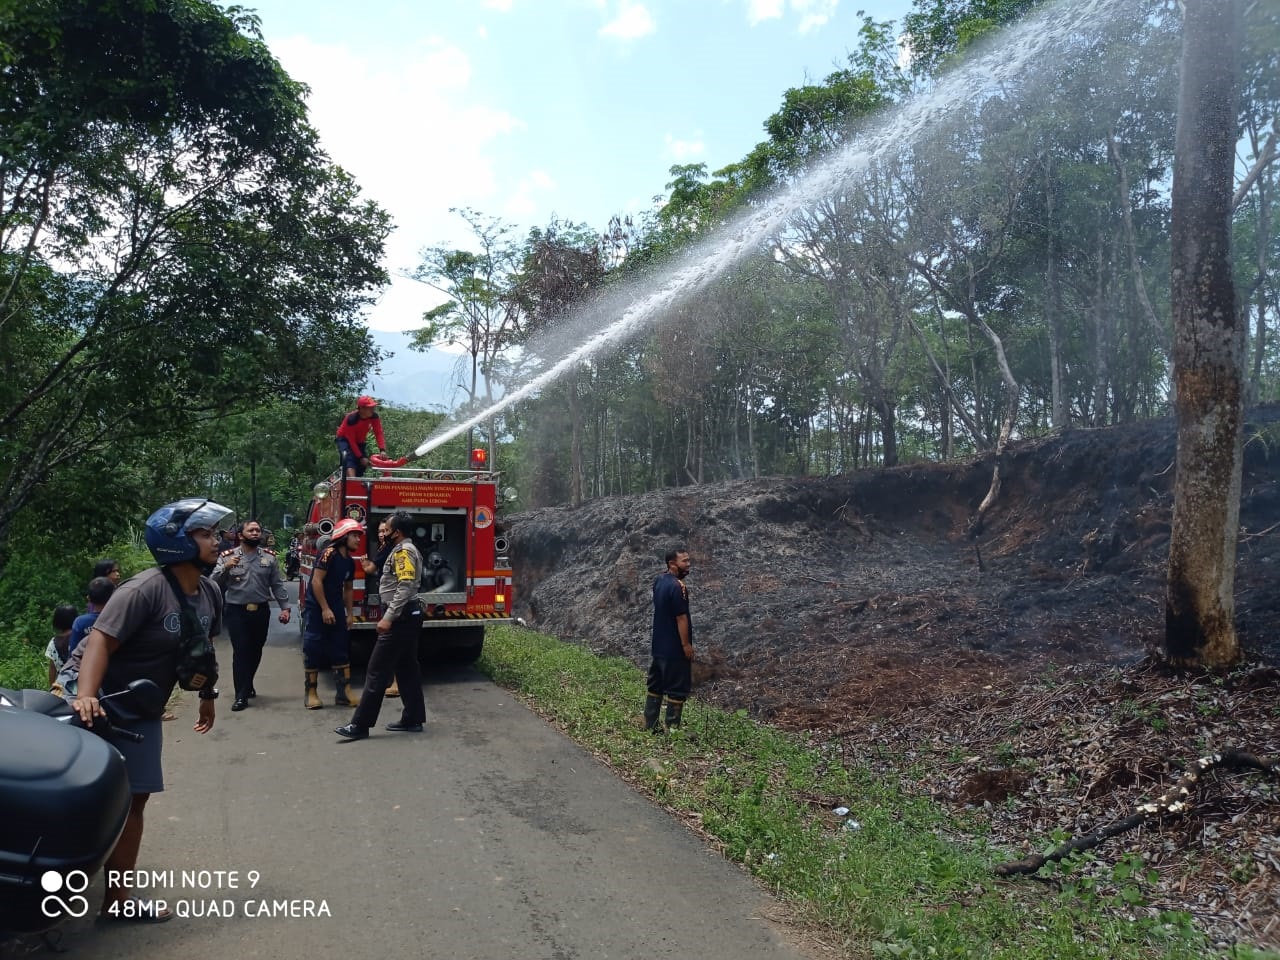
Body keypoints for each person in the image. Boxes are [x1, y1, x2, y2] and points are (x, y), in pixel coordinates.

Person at [68, 498, 230, 922]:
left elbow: (202, 649)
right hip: (93, 696)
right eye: (206, 533)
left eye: (215, 532)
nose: (217, 540)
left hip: (140, 704)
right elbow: (100, 642)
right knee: (79, 797)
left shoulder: (209, 590)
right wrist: (84, 694)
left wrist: (207, 694)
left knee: (133, 801)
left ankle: (116, 904)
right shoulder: (143, 589)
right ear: (176, 542)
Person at [335, 510, 425, 740]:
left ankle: (360, 725)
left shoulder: (404, 552)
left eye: (388, 528)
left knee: (376, 671)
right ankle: (413, 718)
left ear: (398, 531)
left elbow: (404, 586)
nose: (384, 532)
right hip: (407, 615)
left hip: (400, 617)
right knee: (406, 668)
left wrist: (388, 617)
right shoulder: (398, 549)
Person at [211, 519, 292, 711]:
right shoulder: (227, 557)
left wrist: (285, 607)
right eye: (251, 530)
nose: (256, 533)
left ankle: (248, 683)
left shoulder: (269, 558)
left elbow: (277, 585)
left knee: (256, 650)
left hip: (261, 611)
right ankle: (241, 695)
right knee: (241, 651)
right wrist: (226, 568)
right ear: (241, 535)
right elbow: (212, 582)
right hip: (236, 611)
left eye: (258, 530)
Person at [301, 518, 362, 709]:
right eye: (355, 536)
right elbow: (316, 582)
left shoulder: (349, 562)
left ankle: (343, 693)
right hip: (317, 607)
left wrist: (350, 613)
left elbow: (349, 589)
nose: (358, 540)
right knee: (313, 647)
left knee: (340, 648)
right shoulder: (328, 554)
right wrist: (325, 608)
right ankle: (311, 692)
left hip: (335, 607)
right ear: (343, 537)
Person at [644, 548, 694, 733]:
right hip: (674, 649)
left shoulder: (659, 581)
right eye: (684, 561)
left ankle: (649, 725)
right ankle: (672, 731)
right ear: (672, 564)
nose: (688, 565)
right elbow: (681, 618)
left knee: (655, 684)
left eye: (688, 561)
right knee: (677, 688)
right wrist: (686, 645)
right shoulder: (678, 586)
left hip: (658, 646)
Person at [360, 517, 400, 700]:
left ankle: (395, 683)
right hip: (389, 600)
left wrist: (364, 564)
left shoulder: (390, 550)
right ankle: (392, 681)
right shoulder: (384, 549)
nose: (383, 534)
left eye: (385, 531)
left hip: (393, 602)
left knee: (392, 646)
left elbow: (371, 569)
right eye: (380, 531)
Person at [334, 395, 387, 477]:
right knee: (349, 458)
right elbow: (351, 441)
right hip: (345, 439)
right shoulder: (351, 419)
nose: (373, 409)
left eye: (373, 407)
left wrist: (382, 449)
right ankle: (351, 482)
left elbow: (378, 433)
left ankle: (357, 482)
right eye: (370, 407)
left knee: (362, 465)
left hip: (359, 441)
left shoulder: (374, 417)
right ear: (362, 409)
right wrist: (361, 457)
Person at [68, 576, 117, 657]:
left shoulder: (80, 622)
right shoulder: (118, 618)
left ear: (89, 598)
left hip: (87, 666)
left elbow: (73, 653)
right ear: (113, 597)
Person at [46, 604, 78, 687]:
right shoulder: (81, 637)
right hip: (83, 683)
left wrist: (52, 688)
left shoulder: (53, 642)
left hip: (64, 686)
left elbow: (52, 669)